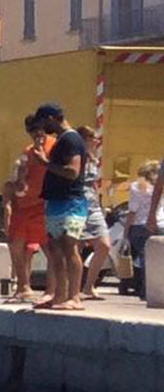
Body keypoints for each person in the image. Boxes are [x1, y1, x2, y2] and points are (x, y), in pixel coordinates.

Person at [30, 102, 88, 311]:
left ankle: (74, 296)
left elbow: (73, 171)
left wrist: (45, 162)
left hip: (70, 202)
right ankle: (59, 295)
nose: (43, 127)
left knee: (69, 247)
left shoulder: (71, 139)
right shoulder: (62, 140)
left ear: (52, 118)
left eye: (43, 121)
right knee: (55, 249)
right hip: (55, 202)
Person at [4, 114, 49, 303]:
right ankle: (23, 287)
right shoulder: (27, 152)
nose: (36, 133)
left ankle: (55, 290)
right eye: (32, 130)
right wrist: (18, 184)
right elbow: (17, 181)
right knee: (17, 245)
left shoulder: (54, 147)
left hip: (43, 204)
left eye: (39, 128)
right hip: (25, 206)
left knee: (51, 248)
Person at [75, 126, 113, 300]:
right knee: (76, 247)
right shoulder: (75, 157)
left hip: (93, 205)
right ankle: (74, 287)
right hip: (77, 204)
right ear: (84, 140)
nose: (97, 141)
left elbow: (95, 183)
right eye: (93, 138)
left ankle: (89, 285)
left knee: (104, 245)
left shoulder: (94, 159)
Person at [128, 161, 158, 299]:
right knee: (156, 259)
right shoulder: (158, 186)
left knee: (142, 258)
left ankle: (144, 289)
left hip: (139, 225)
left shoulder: (136, 187)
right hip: (158, 223)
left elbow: (133, 210)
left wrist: (126, 229)